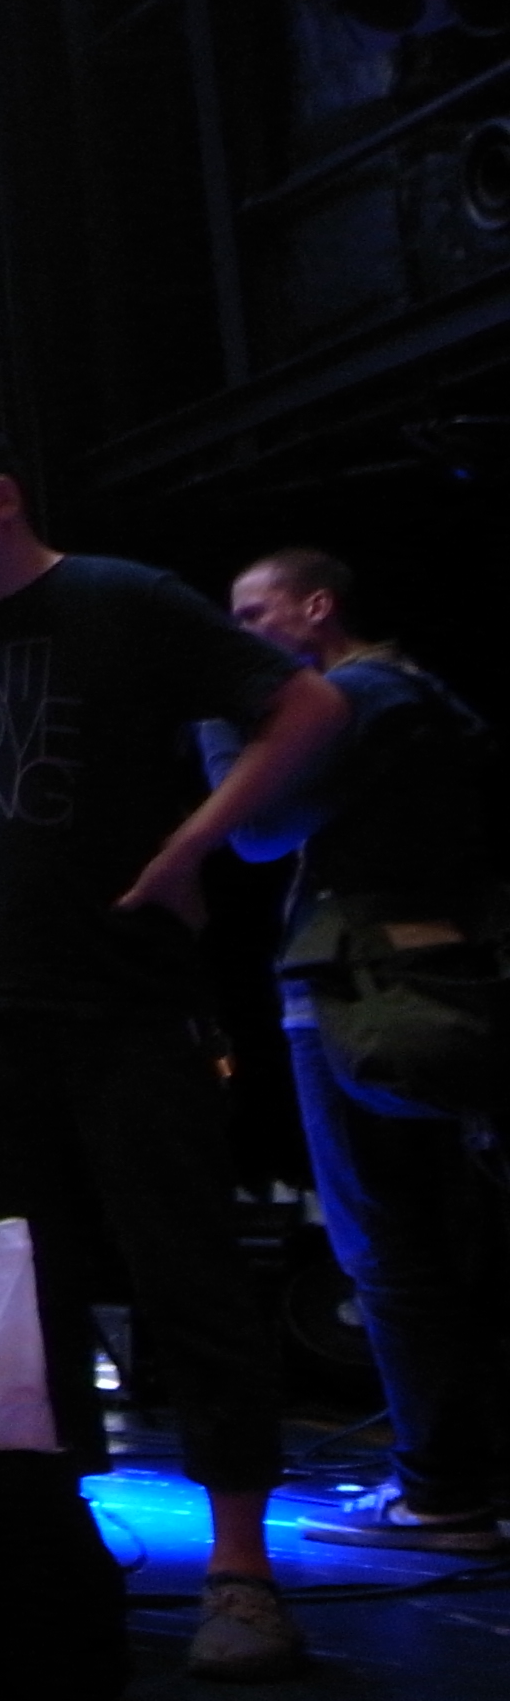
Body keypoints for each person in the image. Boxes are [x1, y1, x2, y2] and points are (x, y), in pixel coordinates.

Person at [0, 410, 350, 1682]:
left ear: (1, 494)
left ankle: (241, 1570)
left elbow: (305, 705)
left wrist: (193, 848)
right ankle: (54, 1549)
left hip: (126, 992)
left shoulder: (125, 601)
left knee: (186, 1271)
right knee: (17, 1291)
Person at [224, 546, 508, 1556]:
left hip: (362, 993)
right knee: (443, 1241)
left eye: (255, 614)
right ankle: (458, 1476)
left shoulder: (356, 697)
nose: (242, 635)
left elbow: (257, 833)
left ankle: (440, 1494)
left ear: (318, 606)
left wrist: (222, 724)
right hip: (438, 985)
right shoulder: (415, 693)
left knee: (385, 1246)